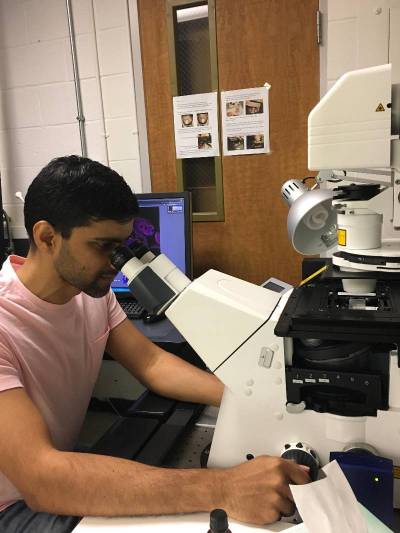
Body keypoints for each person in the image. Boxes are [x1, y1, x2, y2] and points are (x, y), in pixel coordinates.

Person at [0, 156, 309, 532]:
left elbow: (151, 363)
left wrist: (251, 399)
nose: (117, 262)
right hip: (16, 502)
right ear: (47, 237)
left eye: (123, 247)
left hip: (52, 468)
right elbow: (42, 478)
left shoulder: (89, 294)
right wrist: (226, 487)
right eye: (103, 246)